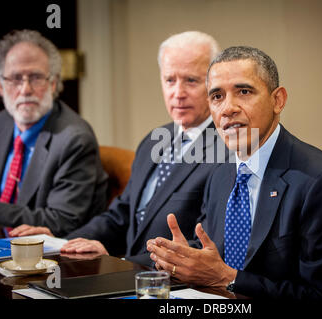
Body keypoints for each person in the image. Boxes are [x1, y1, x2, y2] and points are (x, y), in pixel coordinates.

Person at [147, 46, 322, 299]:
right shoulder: (220, 174)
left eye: (244, 92)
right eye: (217, 97)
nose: (228, 108)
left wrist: (228, 279)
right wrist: (182, 260)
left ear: (277, 100)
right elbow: (216, 253)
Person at [54, 31, 227, 267]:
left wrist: (121, 262)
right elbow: (121, 214)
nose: (178, 93)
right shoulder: (154, 140)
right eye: (169, 80)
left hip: (175, 283)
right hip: (129, 272)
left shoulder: (229, 149)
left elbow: (204, 245)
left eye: (191, 81)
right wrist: (62, 244)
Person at [0, 30, 108, 237]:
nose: (25, 89)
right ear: (0, 86)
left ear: (54, 83)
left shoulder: (74, 139)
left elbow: (60, 220)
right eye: (15, 78)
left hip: (49, 258)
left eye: (36, 77)